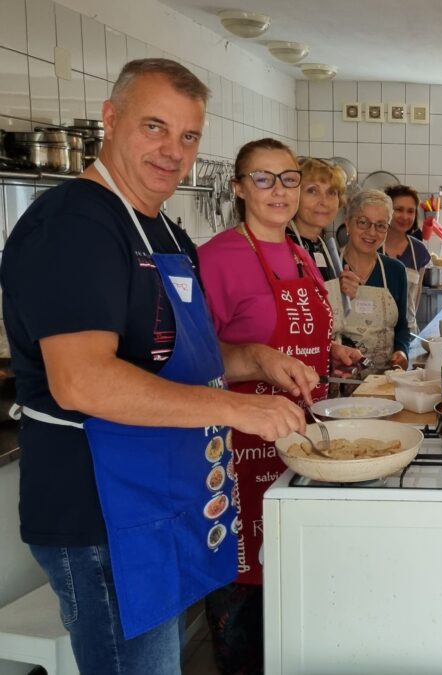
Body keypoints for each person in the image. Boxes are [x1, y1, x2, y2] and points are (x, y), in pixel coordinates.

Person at [0, 59, 315, 674]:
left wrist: (254, 358)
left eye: (189, 136)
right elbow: (82, 378)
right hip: (100, 514)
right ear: (110, 120)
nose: (173, 151)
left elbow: (177, 354)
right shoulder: (74, 223)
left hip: (157, 498)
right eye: (154, 127)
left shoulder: (162, 229)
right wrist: (236, 407)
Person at [197, 138, 363, 673]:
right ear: (239, 187)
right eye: (263, 179)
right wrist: (257, 359)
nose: (279, 191)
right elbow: (192, 361)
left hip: (301, 446)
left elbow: (306, 335)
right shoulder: (216, 258)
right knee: (248, 614)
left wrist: (329, 352)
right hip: (237, 455)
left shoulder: (299, 253)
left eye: (288, 178)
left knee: (299, 601)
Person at [334, 190, 411, 372]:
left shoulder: (396, 271)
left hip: (383, 382)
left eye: (380, 225)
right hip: (338, 382)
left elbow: (402, 327)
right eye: (363, 222)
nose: (371, 232)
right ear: (347, 223)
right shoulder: (329, 267)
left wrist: (402, 351)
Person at [381, 184, 432, 334]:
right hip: (376, 332)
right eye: (399, 210)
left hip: (408, 333)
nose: (405, 216)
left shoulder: (419, 251)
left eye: (410, 211)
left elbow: (415, 298)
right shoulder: (372, 245)